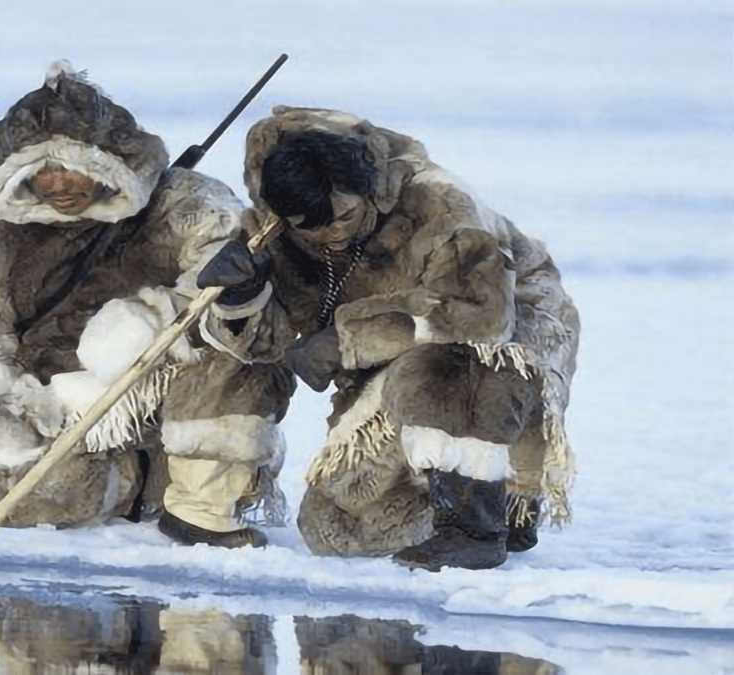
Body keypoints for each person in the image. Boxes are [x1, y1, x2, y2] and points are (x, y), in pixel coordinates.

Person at [0, 61, 294, 547]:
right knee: (32, 504)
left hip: (163, 382)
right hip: (52, 404)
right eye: (42, 171)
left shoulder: (190, 206)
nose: (59, 185)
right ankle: (132, 480)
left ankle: (201, 508)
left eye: (75, 169)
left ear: (110, 163)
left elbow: (259, 330)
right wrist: (2, 405)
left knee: (232, 361)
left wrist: (229, 299)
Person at [201, 106, 580, 570]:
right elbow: (267, 346)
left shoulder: (440, 203)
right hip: (390, 347)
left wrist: (345, 342)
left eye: (344, 215)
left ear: (366, 190)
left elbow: (479, 318)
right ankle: (453, 497)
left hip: (506, 328)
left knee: (447, 368)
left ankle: (480, 522)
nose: (333, 232)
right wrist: (240, 297)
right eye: (313, 226)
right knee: (338, 530)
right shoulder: (269, 231)